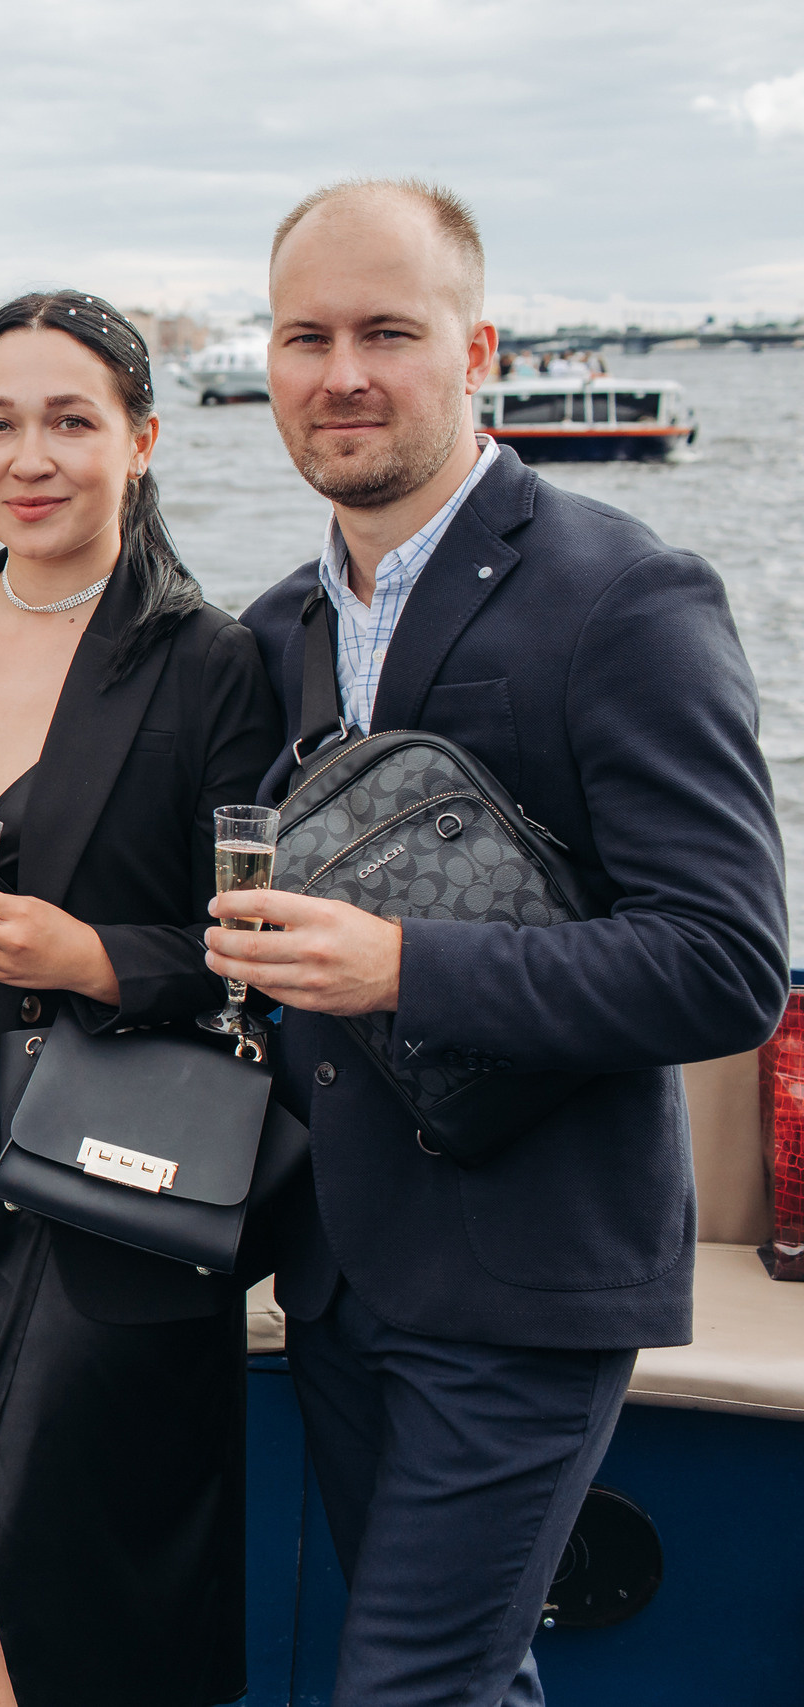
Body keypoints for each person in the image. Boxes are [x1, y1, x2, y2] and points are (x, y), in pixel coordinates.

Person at [215, 178, 787, 1707]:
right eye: (306, 335)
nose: (343, 372)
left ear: (478, 347)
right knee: (469, 1684)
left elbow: (727, 960)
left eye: (388, 331)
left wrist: (405, 969)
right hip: (338, 1270)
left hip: (528, 1277)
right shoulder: (273, 630)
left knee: (409, 1690)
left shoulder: (625, 596)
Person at [0, 291, 283, 1707]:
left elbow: (258, 949)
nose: (28, 457)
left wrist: (88, 957)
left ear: (142, 441)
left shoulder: (211, 660)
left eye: (70, 422)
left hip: (115, 1174)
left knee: (15, 1555)